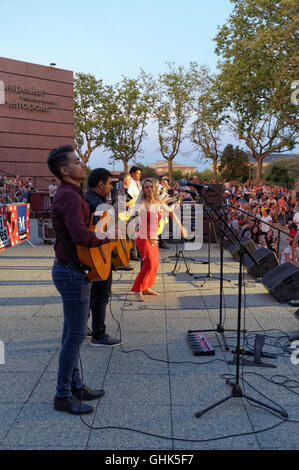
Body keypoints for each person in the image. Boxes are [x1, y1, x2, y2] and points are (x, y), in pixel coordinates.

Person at [48, 145, 107, 415]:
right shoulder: (70, 197)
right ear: (64, 170)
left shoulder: (70, 193)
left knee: (70, 332)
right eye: (77, 161)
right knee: (75, 336)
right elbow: (82, 237)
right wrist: (109, 236)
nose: (83, 164)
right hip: (72, 272)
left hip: (69, 269)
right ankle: (63, 395)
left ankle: (75, 386)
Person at [130, 178, 187, 302]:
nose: (149, 189)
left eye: (151, 187)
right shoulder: (141, 203)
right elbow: (133, 215)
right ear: (143, 190)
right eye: (146, 187)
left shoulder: (158, 202)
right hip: (143, 236)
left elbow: (171, 213)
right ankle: (137, 289)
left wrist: (181, 228)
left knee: (154, 264)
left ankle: (145, 287)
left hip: (154, 236)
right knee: (149, 263)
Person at [84, 168, 122, 347]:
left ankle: (82, 327)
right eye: (109, 184)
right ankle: (99, 334)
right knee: (101, 295)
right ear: (101, 184)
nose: (111, 187)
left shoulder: (87, 199)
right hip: (98, 256)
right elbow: (97, 232)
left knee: (88, 294)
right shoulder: (97, 205)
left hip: (87, 257)